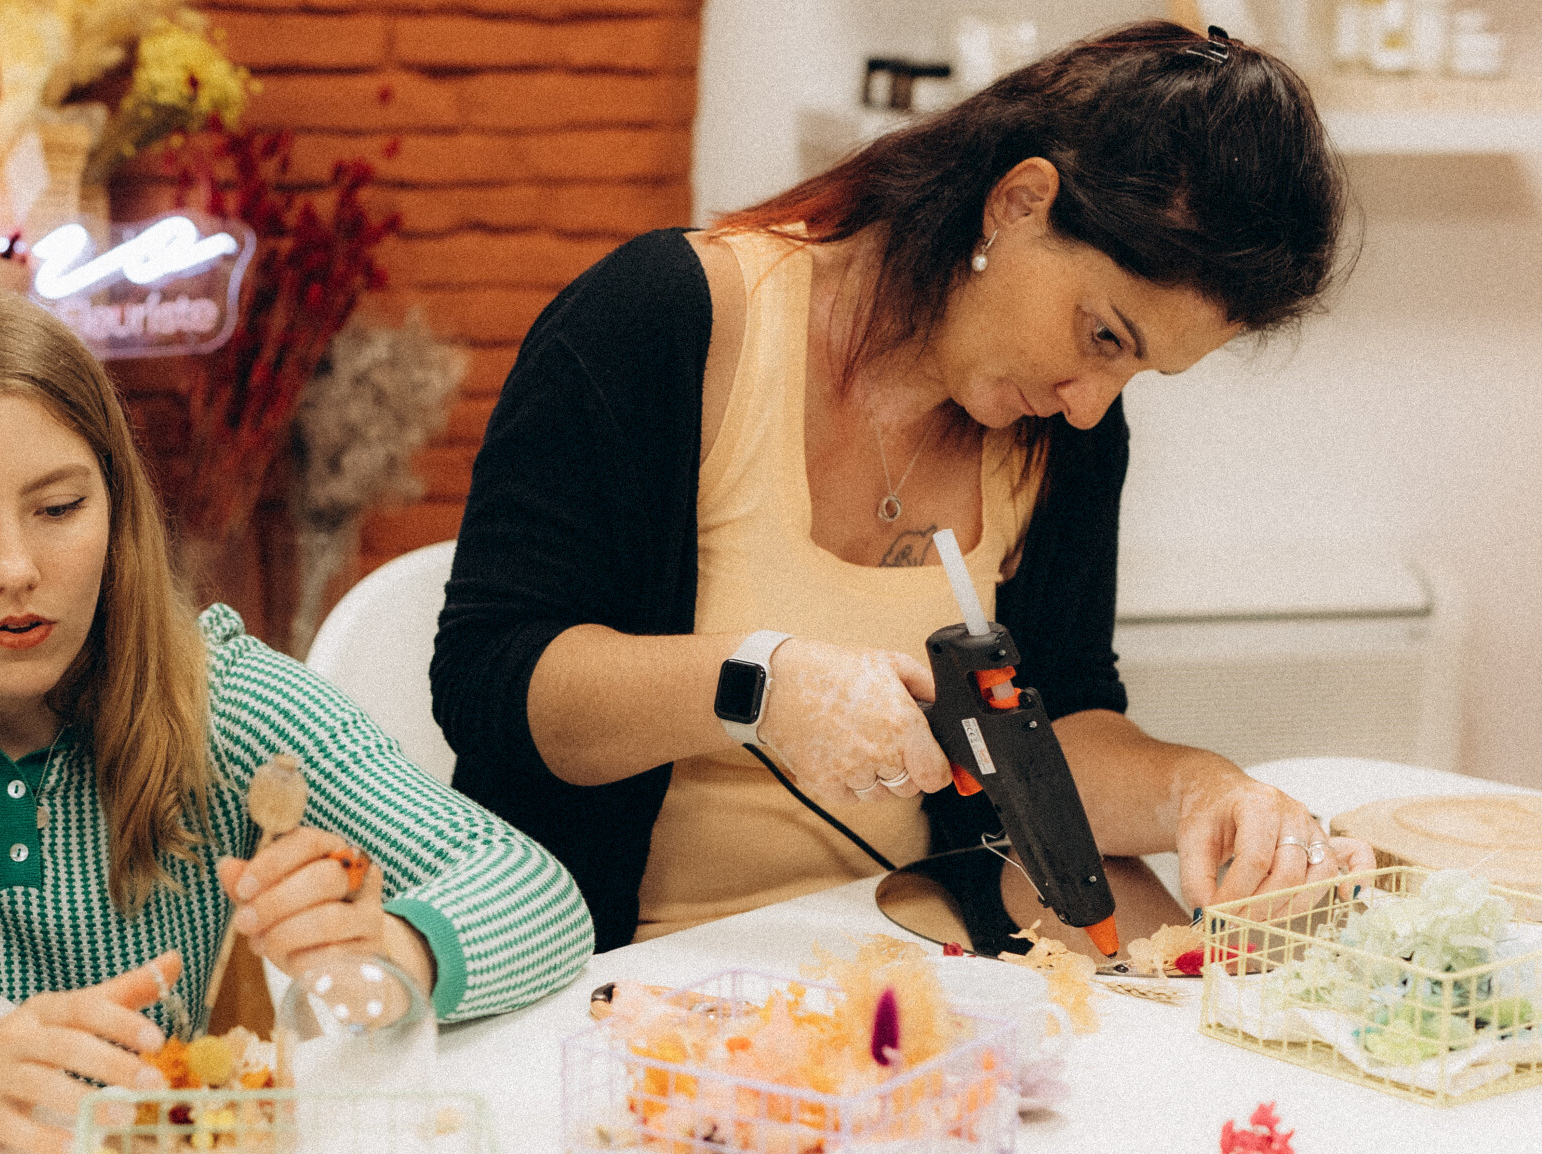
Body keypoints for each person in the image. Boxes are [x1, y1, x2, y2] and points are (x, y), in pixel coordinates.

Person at [433, 22, 1371, 951]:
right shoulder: (665, 322)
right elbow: (492, 683)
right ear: (1019, 203)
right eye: (1103, 336)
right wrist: (761, 684)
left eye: (1137, 372)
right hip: (609, 964)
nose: (1091, 405)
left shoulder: (1062, 435)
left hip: (905, 958)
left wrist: (1194, 789)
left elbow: (1058, 723)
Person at [0, 287, 594, 1154]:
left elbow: (534, 893)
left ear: (115, 501)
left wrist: (397, 944)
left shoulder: (218, 690)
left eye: (59, 508)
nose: (15, 568)